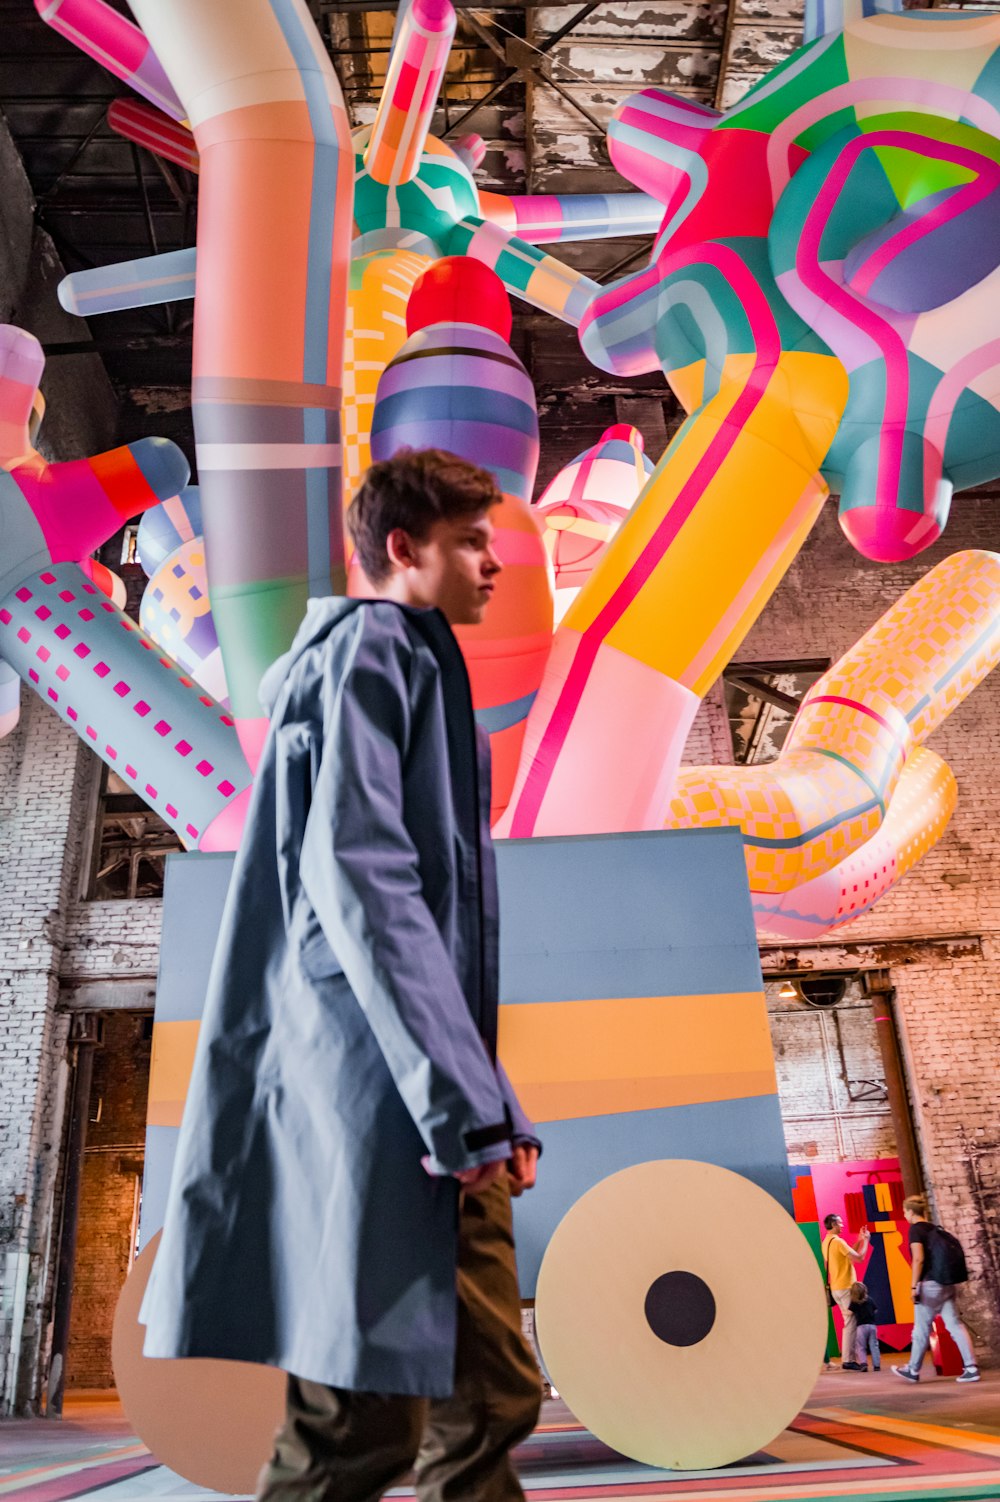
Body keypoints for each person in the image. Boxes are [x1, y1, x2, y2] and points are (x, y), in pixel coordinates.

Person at [141, 448, 544, 1501]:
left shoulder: (407, 662)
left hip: (418, 1099)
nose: (493, 562)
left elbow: (421, 928)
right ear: (403, 549)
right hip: (384, 1106)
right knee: (358, 1423)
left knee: (485, 1399)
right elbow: (361, 877)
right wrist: (460, 1104)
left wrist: (493, 1101)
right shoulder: (371, 650)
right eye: (470, 541)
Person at [894, 1194, 980, 1384]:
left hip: (929, 1285)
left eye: (905, 1212)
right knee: (955, 1326)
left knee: (921, 1329)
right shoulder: (935, 1228)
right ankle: (971, 1367)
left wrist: (913, 1285)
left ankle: (913, 1370)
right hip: (946, 1284)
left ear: (910, 1212)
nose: (905, 1216)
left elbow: (919, 1258)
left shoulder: (915, 1230)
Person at [821, 1213, 870, 1370]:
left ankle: (849, 1358)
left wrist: (859, 1240)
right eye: (840, 1223)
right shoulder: (838, 1242)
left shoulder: (827, 1242)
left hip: (836, 1288)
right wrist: (867, 1241)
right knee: (850, 1323)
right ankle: (848, 1360)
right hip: (845, 1287)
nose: (842, 1225)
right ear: (834, 1225)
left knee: (849, 1322)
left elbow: (848, 1256)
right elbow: (860, 1258)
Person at [848, 1281, 880, 1372]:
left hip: (861, 1327)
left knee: (861, 1346)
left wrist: (844, 1312)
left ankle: (863, 1363)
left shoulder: (854, 1302)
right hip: (872, 1326)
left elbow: (850, 1313)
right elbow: (875, 1310)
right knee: (874, 1345)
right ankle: (876, 1365)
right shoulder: (870, 1300)